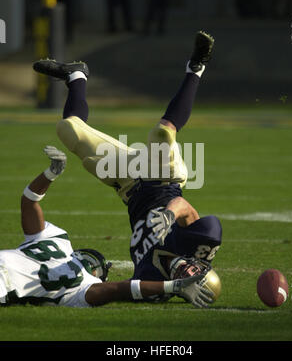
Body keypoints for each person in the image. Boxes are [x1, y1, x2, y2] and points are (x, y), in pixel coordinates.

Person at [32, 30, 222, 305]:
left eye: (192, 277)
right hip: (164, 177)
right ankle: (196, 68)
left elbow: (126, 290)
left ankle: (76, 77)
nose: (190, 270)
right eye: (198, 271)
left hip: (127, 181)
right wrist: (169, 216)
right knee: (162, 134)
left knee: (69, 130)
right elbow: (185, 207)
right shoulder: (199, 245)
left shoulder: (150, 277)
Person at [0, 146, 213, 308]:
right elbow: (122, 289)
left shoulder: (54, 241)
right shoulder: (82, 281)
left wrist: (50, 174)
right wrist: (173, 287)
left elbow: (29, 201)